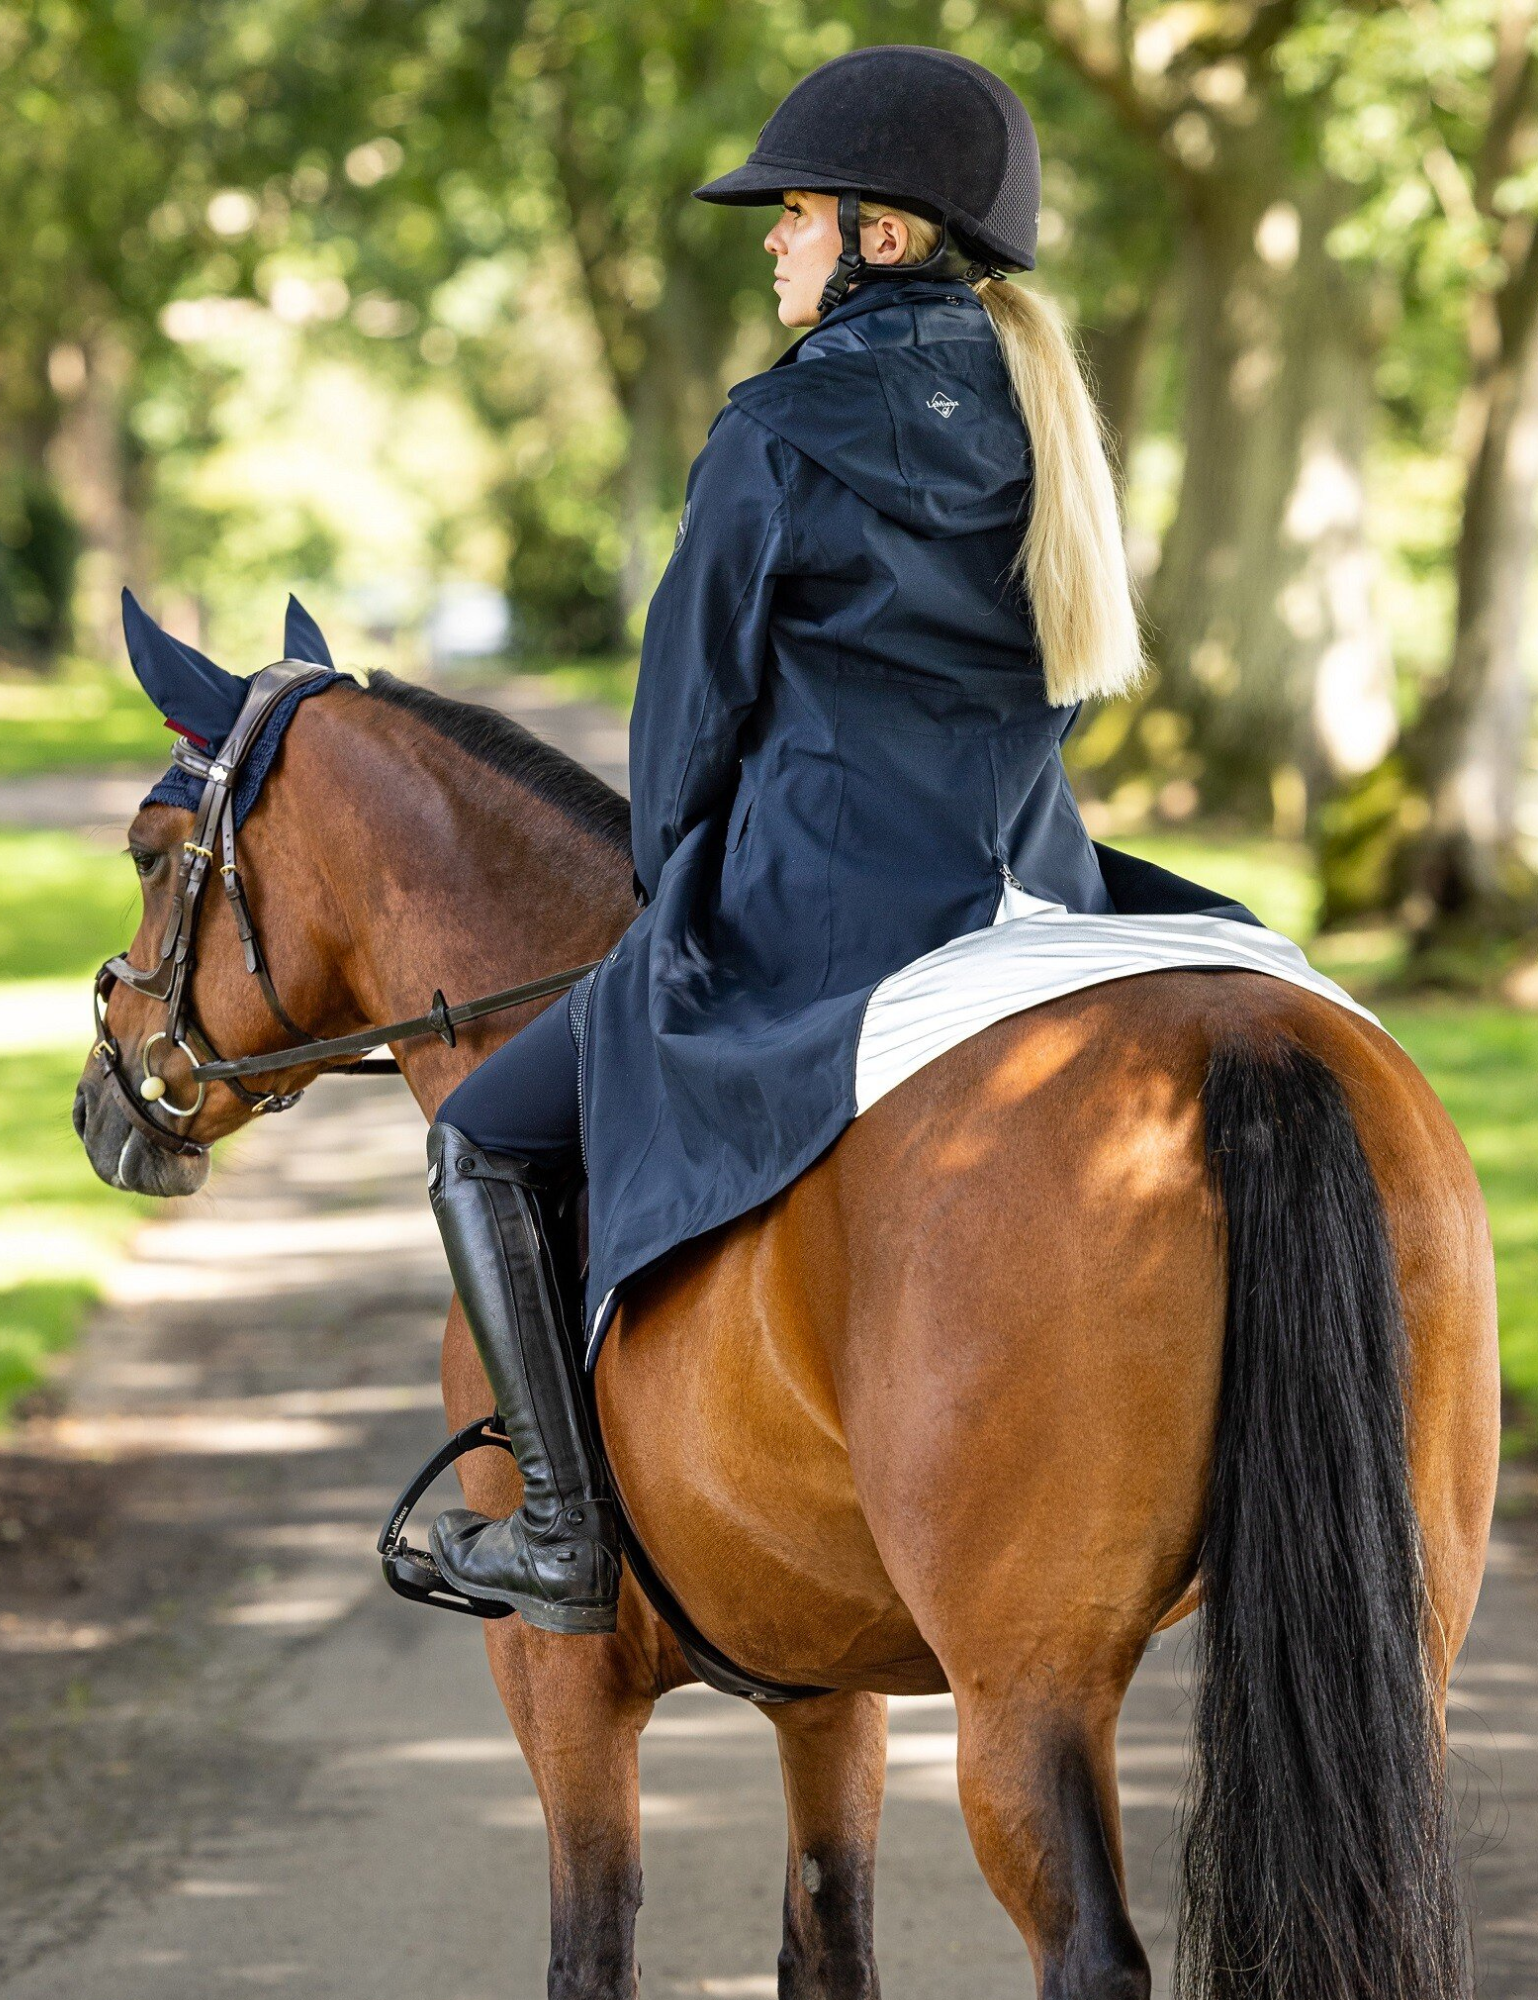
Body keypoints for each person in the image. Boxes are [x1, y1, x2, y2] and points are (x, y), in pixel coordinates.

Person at [422, 44, 1167, 1634]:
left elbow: (682, 729)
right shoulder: (1051, 422)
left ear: (881, 237)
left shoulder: (780, 429)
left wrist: (675, 879)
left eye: (795, 212)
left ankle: (559, 1533)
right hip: (1040, 895)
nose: (771, 237)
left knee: (479, 1137)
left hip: (818, 917)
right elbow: (1064, 694)